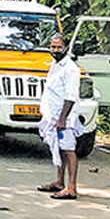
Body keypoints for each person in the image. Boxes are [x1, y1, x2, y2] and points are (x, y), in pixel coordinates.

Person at [37, 33, 84, 200]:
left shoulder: (70, 68)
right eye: (53, 47)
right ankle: (59, 182)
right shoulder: (54, 65)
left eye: (58, 47)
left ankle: (71, 188)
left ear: (66, 48)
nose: (55, 50)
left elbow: (70, 96)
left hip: (65, 117)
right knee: (58, 148)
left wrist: (62, 118)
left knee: (68, 150)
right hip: (53, 114)